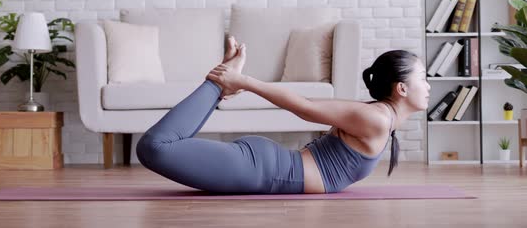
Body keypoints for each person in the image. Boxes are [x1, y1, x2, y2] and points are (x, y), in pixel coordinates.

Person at [136, 37, 431, 194]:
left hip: (267, 169)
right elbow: (304, 106)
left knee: (159, 147)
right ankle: (221, 81)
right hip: (264, 170)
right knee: (153, 148)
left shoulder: (378, 117)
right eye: (424, 78)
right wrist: (245, 82)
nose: (429, 86)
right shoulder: (377, 119)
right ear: (402, 88)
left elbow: (309, 103)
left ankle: (220, 84)